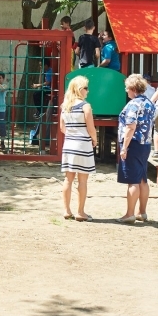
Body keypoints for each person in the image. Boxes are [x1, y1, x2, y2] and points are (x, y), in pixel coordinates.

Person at [117, 74, 155, 223]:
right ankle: (142, 212)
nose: (126, 90)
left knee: (133, 180)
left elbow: (130, 126)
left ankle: (130, 214)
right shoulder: (149, 103)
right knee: (142, 179)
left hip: (133, 143)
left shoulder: (133, 104)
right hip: (145, 144)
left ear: (133, 88)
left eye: (127, 88)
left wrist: (124, 147)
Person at [59, 76, 97, 221]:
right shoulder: (85, 106)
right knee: (82, 180)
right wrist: (94, 139)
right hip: (83, 144)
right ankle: (80, 212)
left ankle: (67, 210)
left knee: (68, 179)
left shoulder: (65, 106)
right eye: (86, 88)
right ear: (80, 89)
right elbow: (91, 127)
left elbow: (62, 128)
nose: (88, 91)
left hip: (69, 144)